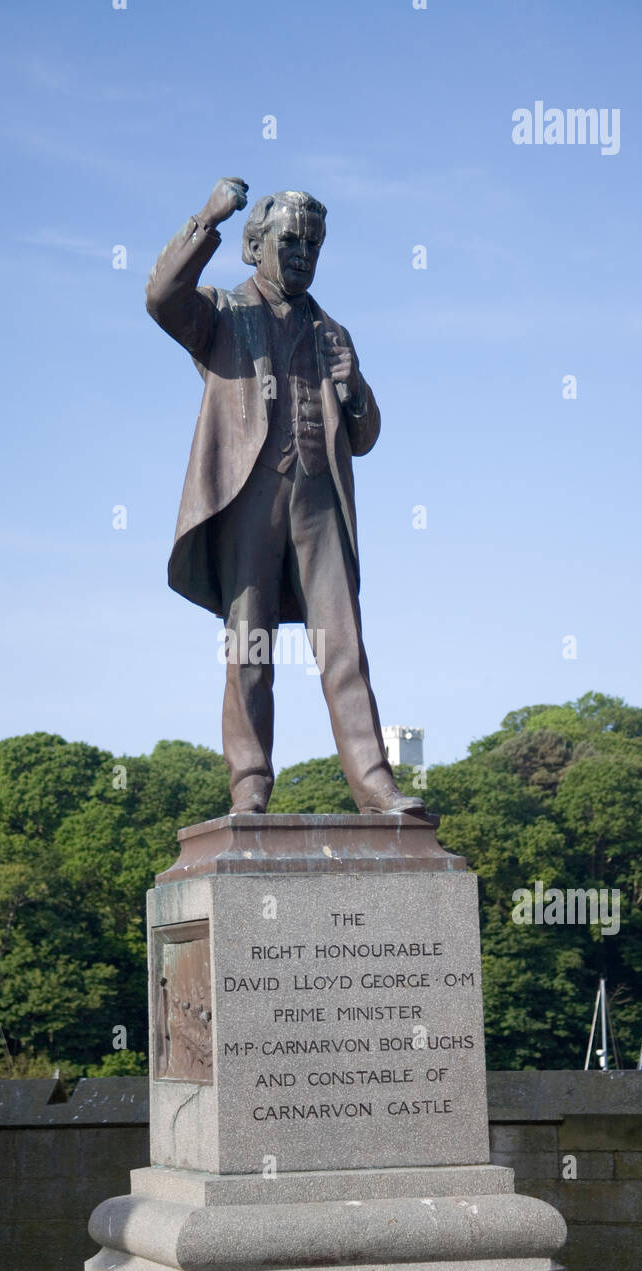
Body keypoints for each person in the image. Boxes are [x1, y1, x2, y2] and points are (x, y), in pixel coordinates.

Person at [146, 177, 424, 817]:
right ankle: (249, 787)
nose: (303, 252)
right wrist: (206, 219)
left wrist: (354, 387)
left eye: (314, 243)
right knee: (250, 646)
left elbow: (363, 436)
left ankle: (375, 787)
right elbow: (162, 298)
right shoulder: (220, 314)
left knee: (344, 645)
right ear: (255, 245)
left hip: (319, 498)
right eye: (290, 239)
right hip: (248, 495)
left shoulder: (332, 330)